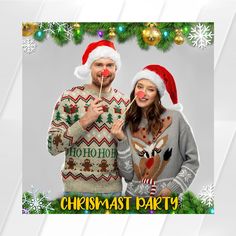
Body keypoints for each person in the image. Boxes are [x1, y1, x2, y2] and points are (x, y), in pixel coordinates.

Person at [47, 40, 130, 197]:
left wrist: (122, 138)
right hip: (75, 192)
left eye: (109, 65)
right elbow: (53, 146)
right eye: (99, 64)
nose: (104, 70)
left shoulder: (125, 102)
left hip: (113, 193)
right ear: (89, 67)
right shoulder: (70, 98)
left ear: (116, 68)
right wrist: (85, 121)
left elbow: (130, 153)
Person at [111, 64, 199, 197]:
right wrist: (121, 140)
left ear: (157, 94)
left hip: (165, 203)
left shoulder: (176, 119)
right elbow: (127, 175)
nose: (142, 93)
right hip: (133, 203)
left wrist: (171, 189)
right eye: (139, 87)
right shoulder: (127, 124)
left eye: (150, 89)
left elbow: (192, 160)